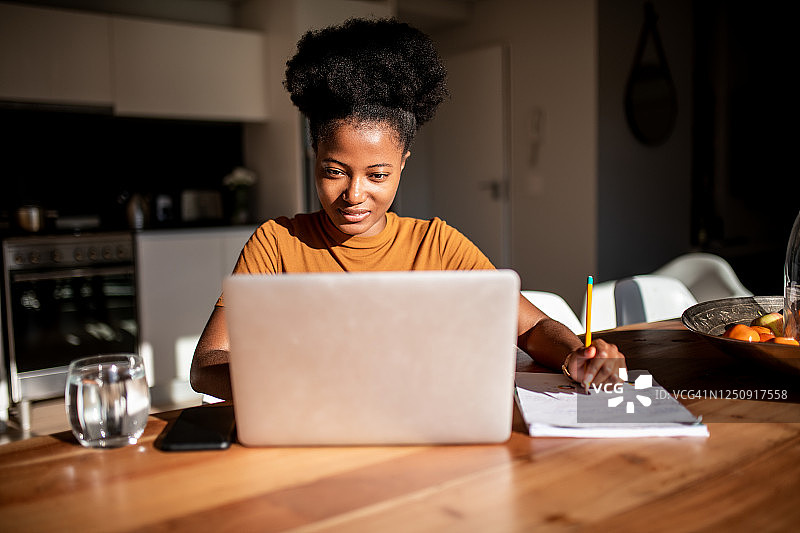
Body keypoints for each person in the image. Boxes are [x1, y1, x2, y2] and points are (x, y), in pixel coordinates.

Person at [190, 18, 625, 401]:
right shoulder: (276, 244)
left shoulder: (436, 245)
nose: (354, 194)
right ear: (314, 156)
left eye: (377, 175)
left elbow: (530, 329)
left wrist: (577, 356)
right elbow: (207, 362)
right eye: (334, 171)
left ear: (402, 165)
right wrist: (283, 383)